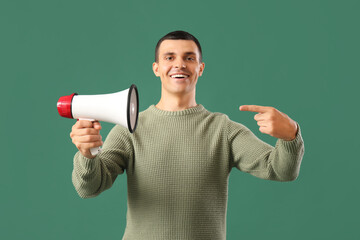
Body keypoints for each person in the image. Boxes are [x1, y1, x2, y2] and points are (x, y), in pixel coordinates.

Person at [70, 30, 304, 240]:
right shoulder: (129, 129)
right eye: (169, 57)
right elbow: (89, 188)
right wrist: (87, 154)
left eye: (189, 58)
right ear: (156, 68)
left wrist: (290, 135)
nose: (179, 65)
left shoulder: (223, 129)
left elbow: (280, 170)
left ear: (200, 68)